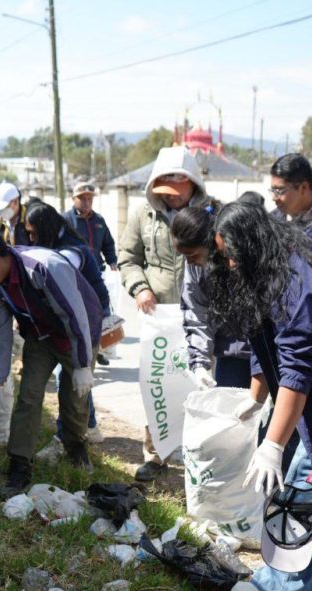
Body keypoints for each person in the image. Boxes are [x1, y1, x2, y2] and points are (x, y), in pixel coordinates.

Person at [201, 202, 312, 591]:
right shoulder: (266, 269)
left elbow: (300, 366)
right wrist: (256, 397)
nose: (229, 263)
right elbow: (264, 340)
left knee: (303, 489)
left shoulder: (300, 277)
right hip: (310, 396)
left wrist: (274, 443)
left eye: (233, 255)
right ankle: (289, 582)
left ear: (253, 243)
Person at [0, 223, 102, 497]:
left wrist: (83, 364)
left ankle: (75, 446)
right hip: (40, 335)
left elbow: (76, 316)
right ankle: (19, 463)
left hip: (78, 333)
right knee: (29, 396)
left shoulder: (44, 267)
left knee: (74, 398)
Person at [118, 145, 213, 482]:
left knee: (198, 386)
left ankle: (197, 457)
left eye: (179, 189)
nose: (172, 198)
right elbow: (127, 257)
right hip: (159, 317)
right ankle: (155, 452)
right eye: (165, 191)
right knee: (158, 384)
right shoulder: (143, 214)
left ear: (193, 184)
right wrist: (139, 287)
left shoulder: (211, 213)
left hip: (201, 316)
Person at [23, 201, 109, 445]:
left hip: (86, 318)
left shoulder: (69, 253)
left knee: (73, 379)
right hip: (73, 317)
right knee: (75, 380)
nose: (30, 239)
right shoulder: (59, 244)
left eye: (33, 233)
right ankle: (88, 426)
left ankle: (71, 437)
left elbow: (58, 281)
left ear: (45, 228)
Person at [170, 204, 252, 389]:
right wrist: (200, 364)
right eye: (184, 256)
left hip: (262, 352)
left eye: (193, 255)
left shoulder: (242, 254)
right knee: (231, 414)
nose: (189, 261)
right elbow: (196, 312)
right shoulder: (195, 265)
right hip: (230, 355)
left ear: (212, 242)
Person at [64, 181, 117, 272]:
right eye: (82, 199)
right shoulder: (65, 220)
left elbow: (108, 244)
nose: (87, 202)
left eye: (90, 199)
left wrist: (112, 262)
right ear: (73, 199)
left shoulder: (99, 220)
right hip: (75, 272)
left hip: (98, 271)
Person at [0, 182, 31, 246]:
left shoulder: (30, 218)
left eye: (5, 207)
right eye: (0, 208)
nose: (2, 211)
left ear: (16, 202)